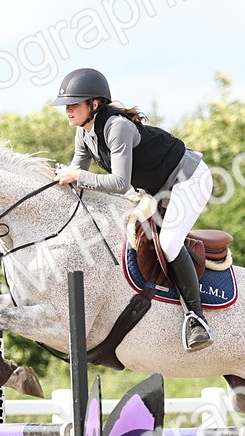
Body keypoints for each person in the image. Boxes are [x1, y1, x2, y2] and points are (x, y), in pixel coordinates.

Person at [51, 67, 215, 351]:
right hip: (155, 189)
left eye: (74, 104)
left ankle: (197, 320)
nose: (68, 110)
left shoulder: (117, 127)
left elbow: (117, 182)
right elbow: (75, 176)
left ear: (94, 104)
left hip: (190, 179)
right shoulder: (84, 134)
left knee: (168, 242)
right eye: (66, 105)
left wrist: (76, 176)